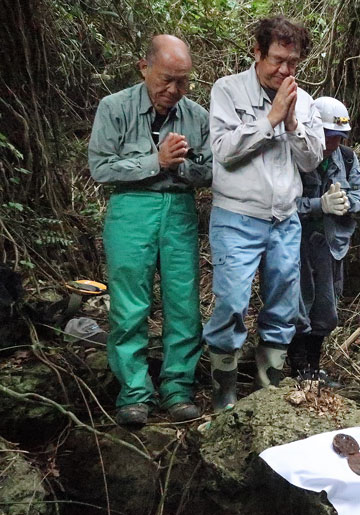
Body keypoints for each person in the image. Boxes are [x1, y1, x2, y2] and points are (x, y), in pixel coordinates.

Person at [88, 35, 212, 425]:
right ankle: (134, 393)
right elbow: (101, 167)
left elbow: (209, 172)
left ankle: (177, 388)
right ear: (144, 69)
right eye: (166, 80)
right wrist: (154, 161)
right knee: (129, 305)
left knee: (183, 303)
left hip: (179, 209)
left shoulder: (196, 116)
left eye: (184, 82)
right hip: (131, 208)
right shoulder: (114, 107)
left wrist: (181, 167)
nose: (175, 91)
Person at [203, 16, 325, 411]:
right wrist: (270, 118)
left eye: (293, 63)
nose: (285, 70)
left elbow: (310, 163)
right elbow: (223, 151)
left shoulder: (304, 102)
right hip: (236, 216)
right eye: (277, 60)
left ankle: (267, 396)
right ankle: (223, 398)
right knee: (231, 304)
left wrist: (292, 124)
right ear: (257, 52)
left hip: (284, 219)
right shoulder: (227, 90)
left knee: (282, 308)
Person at [289, 96, 360, 383]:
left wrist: (345, 202)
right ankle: (295, 368)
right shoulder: (295, 156)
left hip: (330, 245)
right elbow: (281, 204)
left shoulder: (347, 158)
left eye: (339, 137)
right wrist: (317, 205)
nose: (333, 143)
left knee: (326, 309)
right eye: (328, 136)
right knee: (297, 305)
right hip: (296, 245)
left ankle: (313, 366)